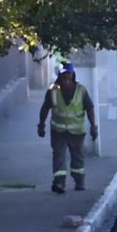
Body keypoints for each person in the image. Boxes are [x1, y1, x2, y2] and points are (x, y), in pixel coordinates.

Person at [37, 63, 99, 195]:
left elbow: (90, 108)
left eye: (69, 73)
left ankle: (79, 181)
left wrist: (94, 126)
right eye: (64, 73)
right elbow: (45, 108)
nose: (66, 76)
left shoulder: (81, 90)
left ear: (73, 74)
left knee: (77, 157)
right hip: (58, 131)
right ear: (59, 75)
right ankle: (59, 182)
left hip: (77, 132)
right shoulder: (53, 90)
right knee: (59, 156)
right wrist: (41, 125)